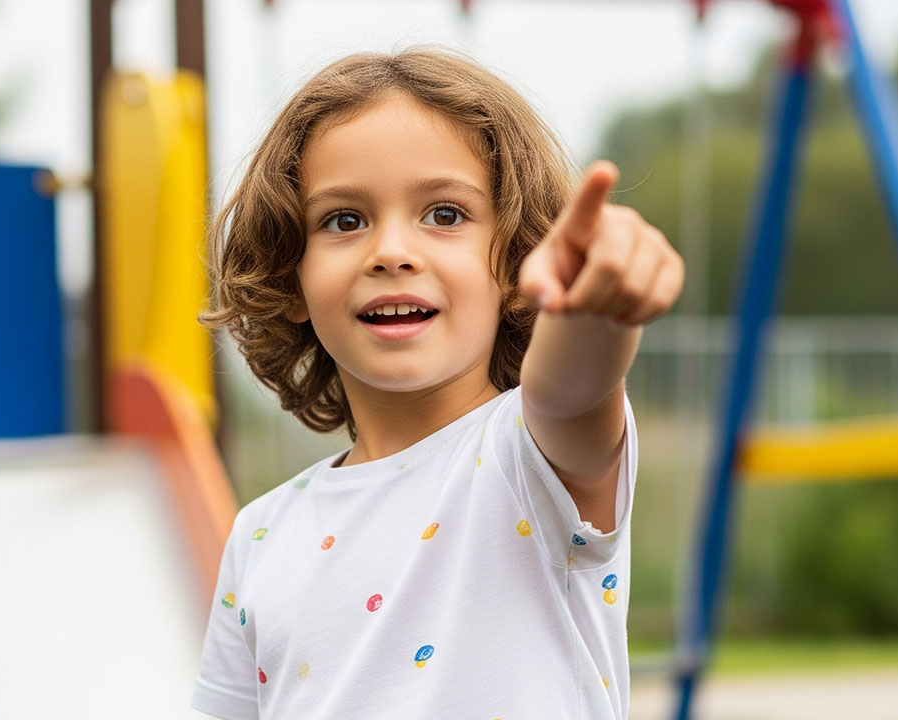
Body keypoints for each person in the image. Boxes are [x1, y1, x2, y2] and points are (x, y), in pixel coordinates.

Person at [191, 47, 684, 720]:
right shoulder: (261, 535)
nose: (391, 251)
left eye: (444, 214)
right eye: (344, 220)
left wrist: (591, 311)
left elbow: (572, 390)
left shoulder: (528, 459)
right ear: (291, 277)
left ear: (514, 262)